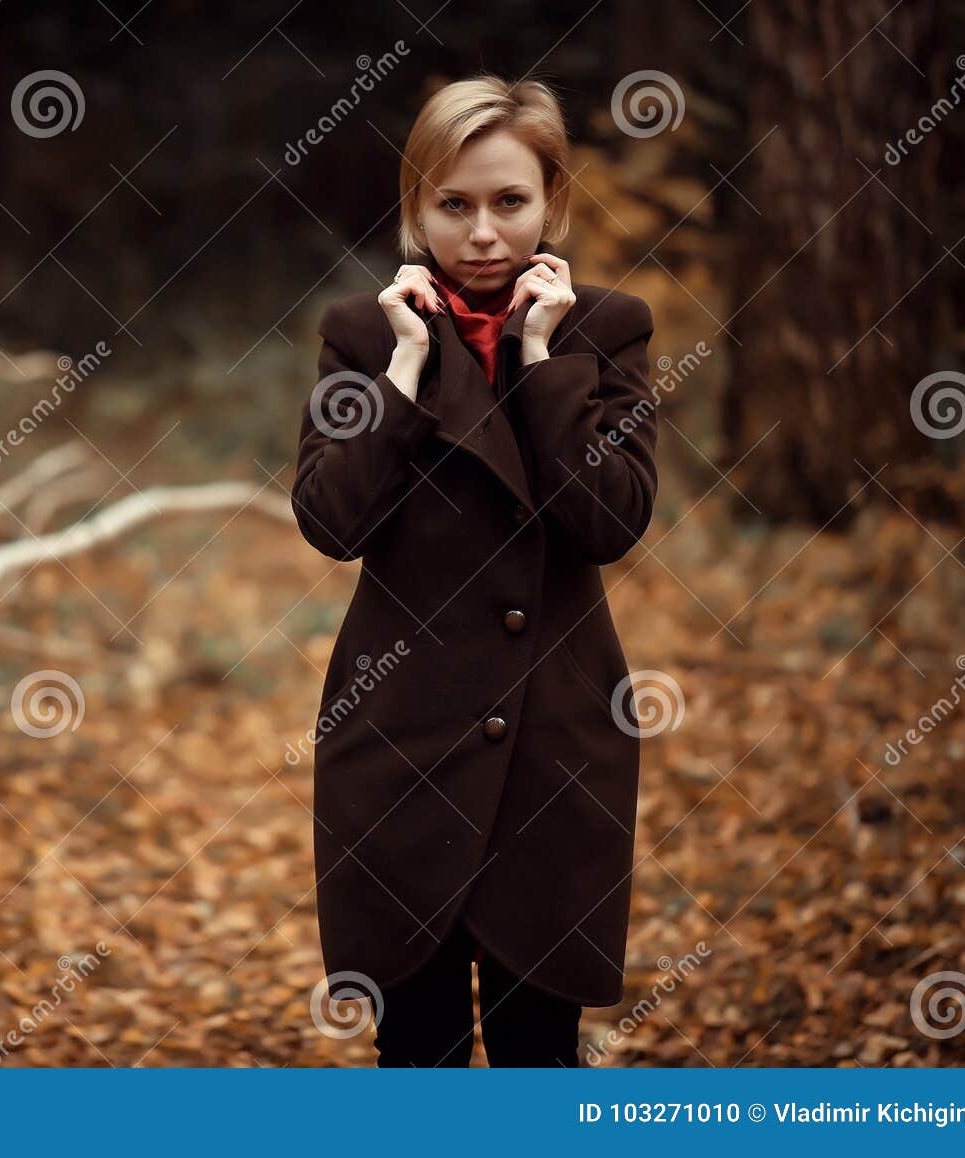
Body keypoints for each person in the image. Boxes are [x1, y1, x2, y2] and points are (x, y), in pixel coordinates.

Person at [292, 74, 660, 1066]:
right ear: (416, 210)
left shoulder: (605, 329)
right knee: (418, 1051)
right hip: (398, 741)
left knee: (539, 1049)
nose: (484, 232)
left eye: (509, 201)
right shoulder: (363, 336)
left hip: (555, 742)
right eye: (453, 204)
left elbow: (608, 521)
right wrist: (404, 375)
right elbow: (330, 521)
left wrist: (542, 366)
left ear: (553, 205)